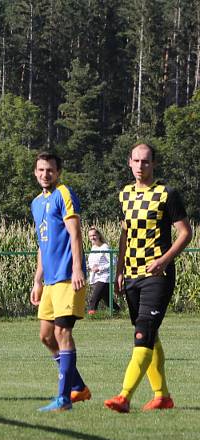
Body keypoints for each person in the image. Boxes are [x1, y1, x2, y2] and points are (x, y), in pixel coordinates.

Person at [104, 144, 192, 413]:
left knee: (143, 334)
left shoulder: (167, 194)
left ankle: (124, 396)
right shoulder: (125, 195)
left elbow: (186, 233)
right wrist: (119, 270)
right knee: (149, 335)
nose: (141, 166)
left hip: (158, 275)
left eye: (146, 161)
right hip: (131, 275)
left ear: (153, 164)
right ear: (129, 163)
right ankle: (161, 396)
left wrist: (164, 259)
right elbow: (124, 235)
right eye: (136, 161)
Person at [29, 152, 91, 412]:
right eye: (41, 170)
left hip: (67, 276)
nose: (46, 174)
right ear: (35, 172)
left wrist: (78, 268)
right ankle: (78, 387)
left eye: (50, 170)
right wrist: (37, 280)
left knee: (62, 332)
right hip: (51, 281)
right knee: (46, 336)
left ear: (58, 172)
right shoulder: (35, 203)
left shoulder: (64, 194)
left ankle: (64, 399)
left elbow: (75, 233)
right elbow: (43, 244)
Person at [86, 226, 119, 314]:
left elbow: (113, 261)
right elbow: (93, 263)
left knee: (94, 299)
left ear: (99, 235)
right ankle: (118, 312)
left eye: (94, 235)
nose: (92, 237)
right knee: (108, 301)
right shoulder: (93, 248)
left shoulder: (105, 247)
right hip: (95, 277)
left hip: (104, 277)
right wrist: (89, 267)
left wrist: (100, 268)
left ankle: (91, 315)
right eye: (90, 236)